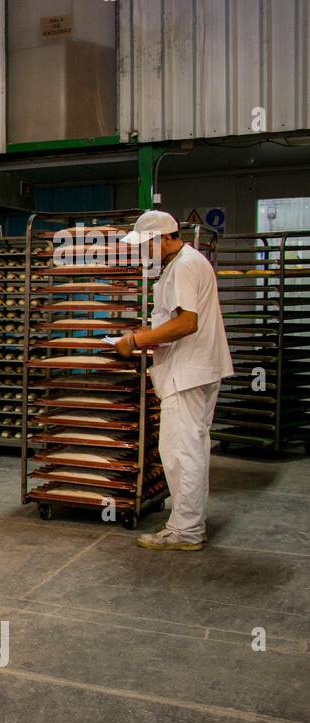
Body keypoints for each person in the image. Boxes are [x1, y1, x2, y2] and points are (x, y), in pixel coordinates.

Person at [113, 210, 233, 550]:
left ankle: (187, 532)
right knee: (189, 449)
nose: (143, 251)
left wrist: (136, 340)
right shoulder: (186, 262)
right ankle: (187, 524)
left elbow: (186, 323)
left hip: (189, 372)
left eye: (147, 244)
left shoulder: (182, 266)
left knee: (182, 452)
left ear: (166, 237)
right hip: (194, 370)